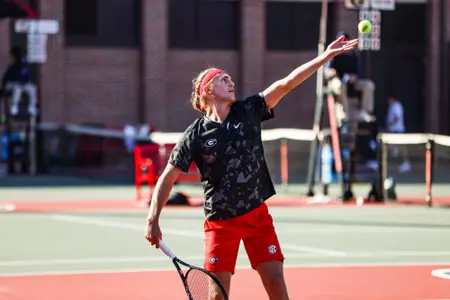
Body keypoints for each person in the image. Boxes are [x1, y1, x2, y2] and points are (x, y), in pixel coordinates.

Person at [145, 35, 358, 300]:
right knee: (217, 296)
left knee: (277, 284)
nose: (230, 82)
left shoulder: (249, 110)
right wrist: (153, 218)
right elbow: (168, 177)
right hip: (220, 223)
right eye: (223, 79)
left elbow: (287, 83)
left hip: (257, 217)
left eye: (230, 78)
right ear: (207, 90)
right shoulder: (195, 134)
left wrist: (324, 58)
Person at [325, 32, 375, 123]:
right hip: (337, 81)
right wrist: (332, 72)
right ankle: (343, 114)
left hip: (352, 83)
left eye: (346, 41)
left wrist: (355, 77)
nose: (344, 43)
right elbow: (327, 71)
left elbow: (359, 71)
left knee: (369, 85)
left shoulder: (353, 55)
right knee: (340, 86)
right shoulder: (333, 53)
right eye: (341, 41)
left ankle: (364, 112)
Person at [1, 46, 38, 116]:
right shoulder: (13, 66)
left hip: (22, 84)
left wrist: (25, 82)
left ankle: (32, 107)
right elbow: (7, 79)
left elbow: (26, 78)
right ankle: (14, 107)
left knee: (33, 88)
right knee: (17, 88)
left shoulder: (24, 67)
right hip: (11, 84)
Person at [386, 94, 411, 173]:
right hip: (393, 131)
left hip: (397, 131)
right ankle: (385, 164)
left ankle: (406, 164)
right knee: (389, 148)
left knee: (402, 148)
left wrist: (390, 126)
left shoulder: (397, 106)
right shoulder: (392, 106)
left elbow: (397, 117)